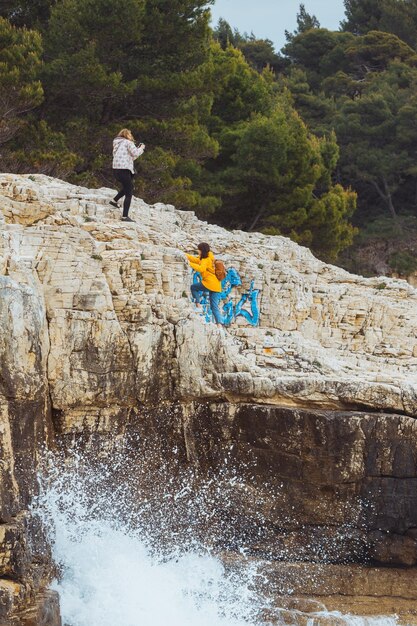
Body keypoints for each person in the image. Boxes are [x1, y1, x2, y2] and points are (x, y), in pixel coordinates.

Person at [110, 129, 145, 222]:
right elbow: (136, 153)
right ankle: (125, 216)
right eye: (130, 134)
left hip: (116, 170)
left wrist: (137, 150)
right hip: (125, 169)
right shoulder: (128, 142)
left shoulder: (116, 143)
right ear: (127, 135)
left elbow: (132, 157)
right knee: (129, 193)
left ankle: (114, 201)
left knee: (128, 187)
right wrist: (141, 148)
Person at [185, 243, 224, 326]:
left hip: (209, 283)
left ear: (202, 250)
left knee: (194, 287)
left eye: (198, 249)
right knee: (214, 306)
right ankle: (219, 324)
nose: (197, 251)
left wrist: (189, 264)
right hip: (217, 285)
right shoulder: (210, 257)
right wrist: (185, 255)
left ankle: (198, 305)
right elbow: (195, 260)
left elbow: (201, 268)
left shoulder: (205, 259)